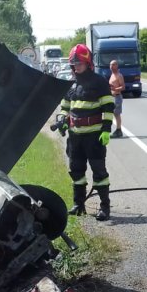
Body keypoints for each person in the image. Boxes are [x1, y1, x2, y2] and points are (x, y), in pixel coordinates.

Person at [54, 43, 114, 221]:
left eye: (79, 63)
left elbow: (109, 107)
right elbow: (65, 107)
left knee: (99, 173)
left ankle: (104, 208)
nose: (76, 67)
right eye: (74, 64)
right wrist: (62, 120)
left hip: (94, 137)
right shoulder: (71, 84)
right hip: (75, 137)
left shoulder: (99, 82)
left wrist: (106, 130)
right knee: (76, 171)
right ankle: (79, 204)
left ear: (88, 63)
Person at [108, 59, 125, 137]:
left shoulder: (119, 75)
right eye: (111, 65)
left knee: (116, 114)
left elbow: (123, 87)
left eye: (113, 64)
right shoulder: (112, 75)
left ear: (117, 66)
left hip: (117, 97)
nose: (111, 66)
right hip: (112, 97)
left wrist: (115, 89)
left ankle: (119, 130)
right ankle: (117, 130)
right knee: (113, 114)